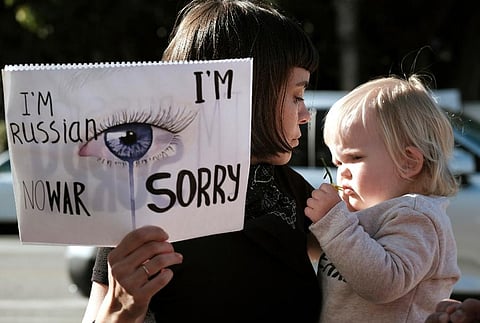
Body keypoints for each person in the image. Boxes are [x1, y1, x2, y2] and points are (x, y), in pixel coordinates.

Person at [82, 1, 322, 322]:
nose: (305, 115)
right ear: (248, 94)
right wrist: (122, 307)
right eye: (296, 95)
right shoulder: (141, 203)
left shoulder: (289, 189)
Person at [304, 74, 461, 322]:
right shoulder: (363, 212)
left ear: (408, 162)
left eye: (355, 158)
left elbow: (383, 284)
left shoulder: (416, 216)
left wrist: (333, 222)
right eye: (338, 162)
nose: (342, 172)